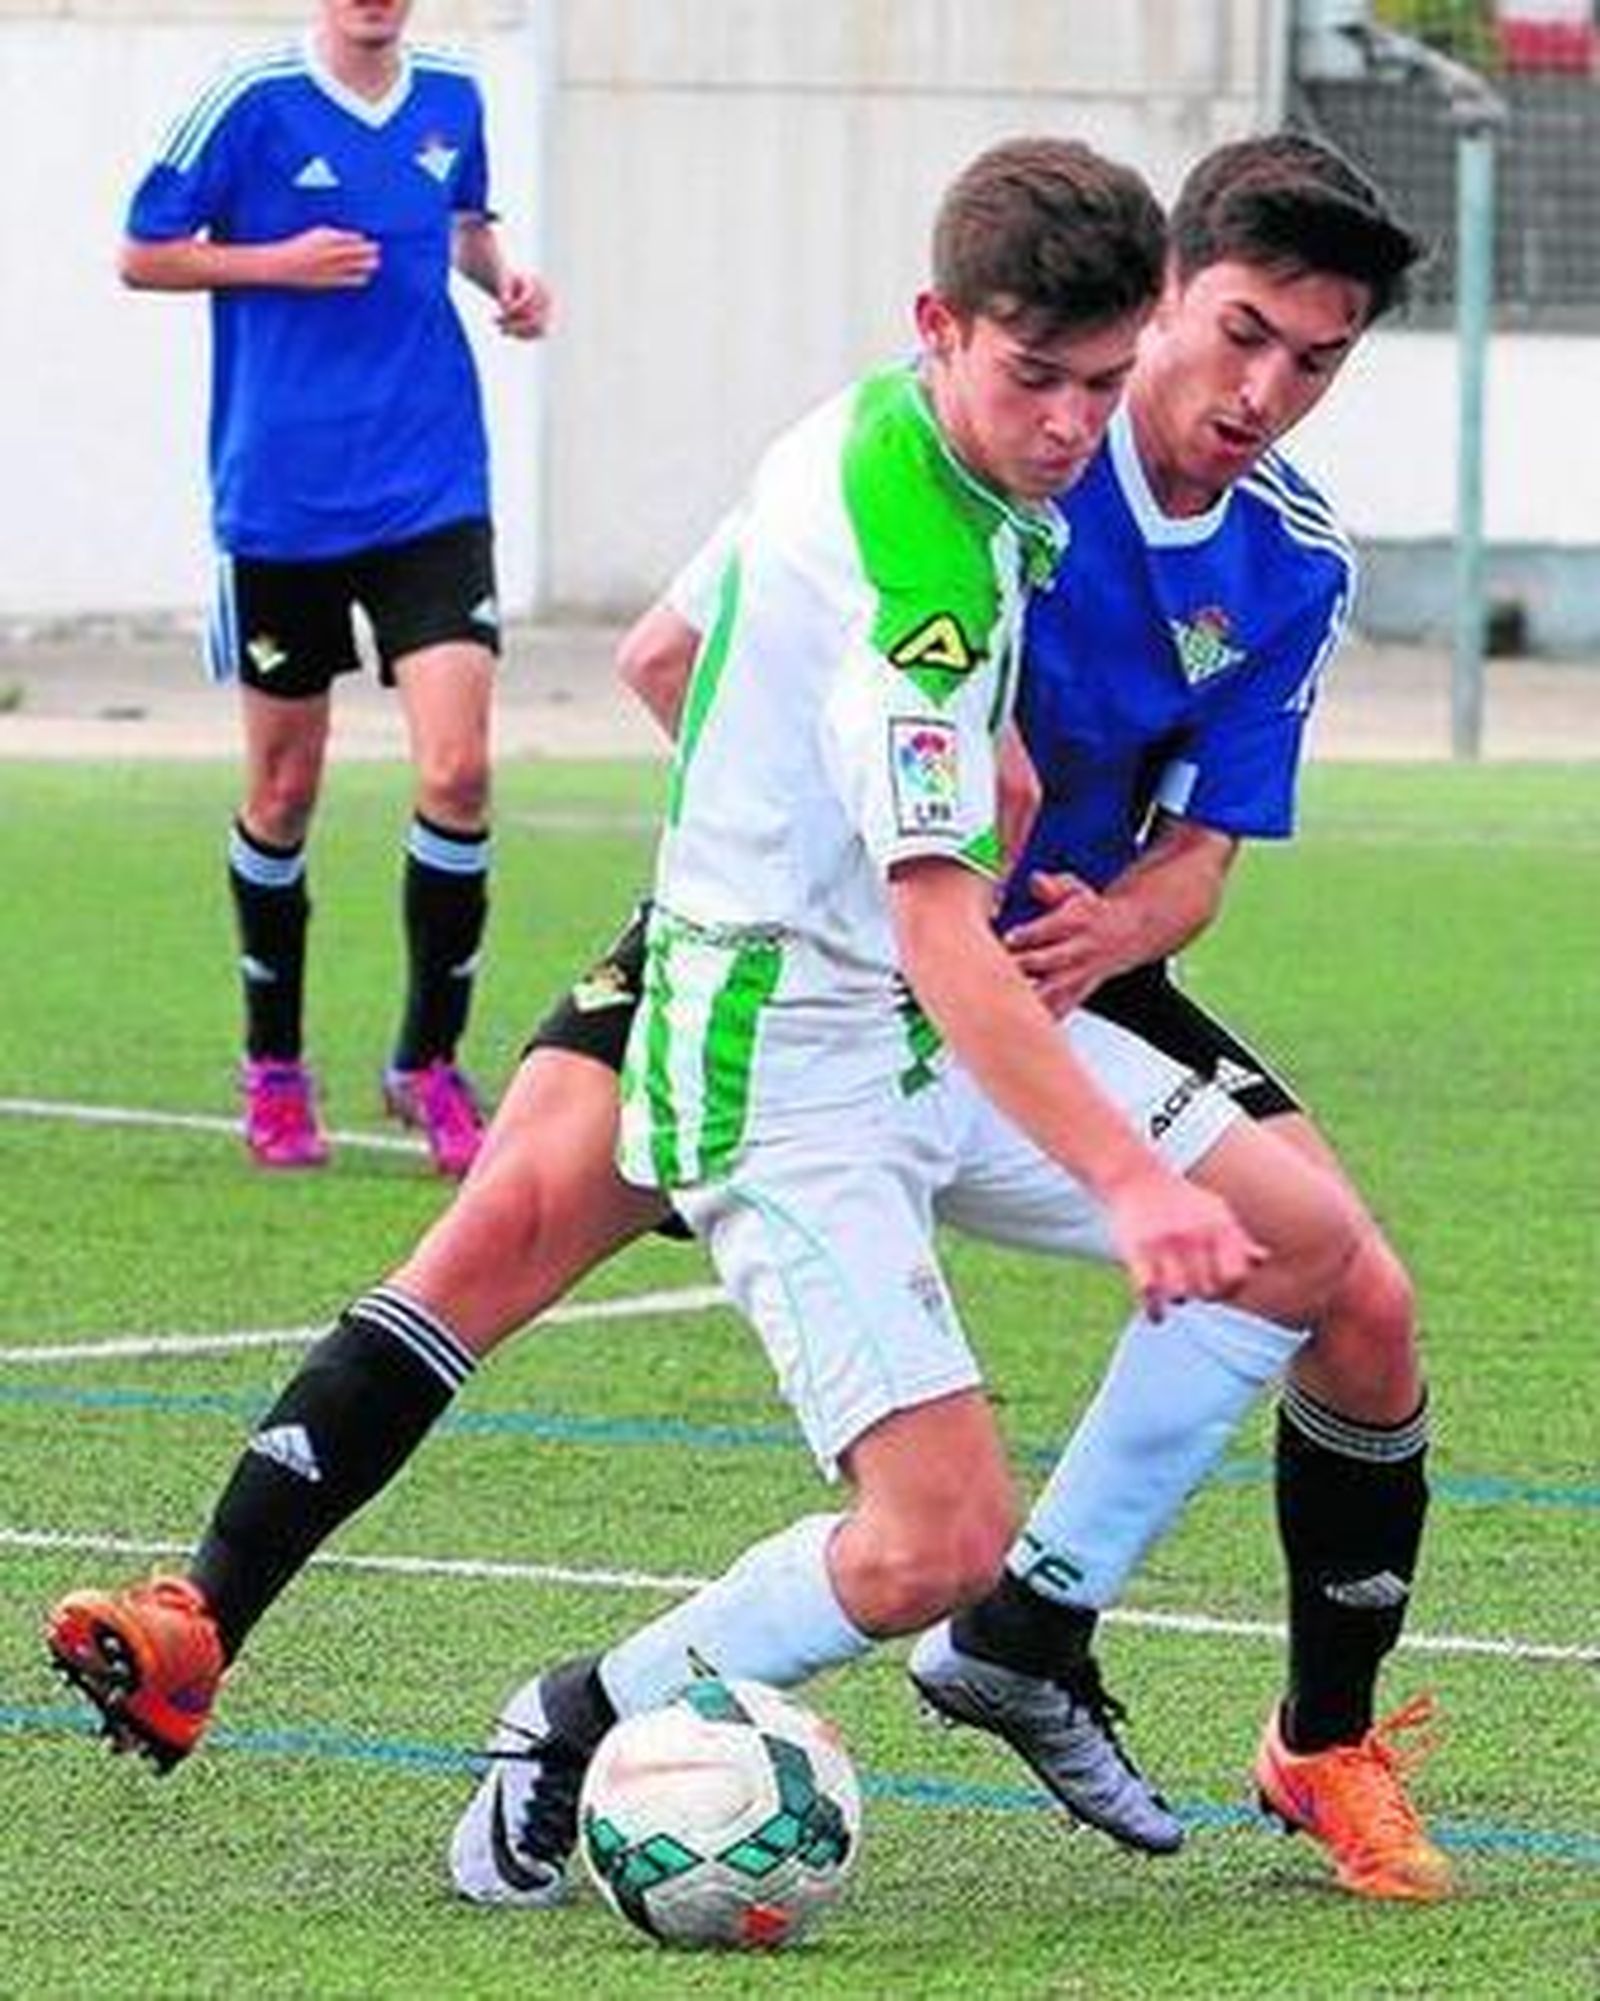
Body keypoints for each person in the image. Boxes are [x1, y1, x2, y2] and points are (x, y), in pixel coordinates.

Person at [44, 134, 1439, 1903]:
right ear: (1158, 297)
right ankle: (272, 1637)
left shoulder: (1068, 474)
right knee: (513, 1235)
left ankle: (1063, 1638)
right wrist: (805, 842)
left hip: (979, 991)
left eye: (1315, 362)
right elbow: (757, 734)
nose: (1252, 393)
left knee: (1327, 1264)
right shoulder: (935, 495)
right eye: (1236, 334)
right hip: (808, 991)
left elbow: (1158, 845)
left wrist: (980, 850)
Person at [117, 0, 551, 1175]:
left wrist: (506, 281)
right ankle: (274, 1064)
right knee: (286, 786)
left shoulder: (455, 93)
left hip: (429, 482)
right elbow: (141, 250)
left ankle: (425, 1062)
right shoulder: (248, 97)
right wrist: (275, 263)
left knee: (458, 771)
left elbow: (462, 226)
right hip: (282, 499)